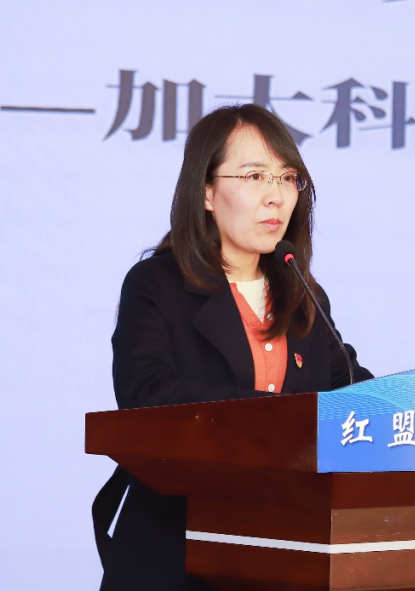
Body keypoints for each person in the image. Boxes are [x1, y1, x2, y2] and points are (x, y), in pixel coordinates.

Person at [93, 104, 371, 591]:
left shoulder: (303, 295)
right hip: (177, 552)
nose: (276, 195)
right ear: (206, 191)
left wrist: (406, 412)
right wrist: (283, 420)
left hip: (287, 552)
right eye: (254, 176)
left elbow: (348, 386)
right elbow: (147, 397)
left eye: (288, 178)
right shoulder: (156, 285)